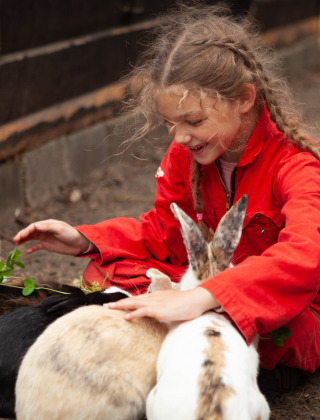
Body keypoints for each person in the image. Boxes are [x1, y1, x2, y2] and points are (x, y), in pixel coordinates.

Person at [13, 3, 320, 401]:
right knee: (105, 270)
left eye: (193, 122)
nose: (180, 138)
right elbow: (164, 233)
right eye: (170, 124)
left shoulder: (297, 164)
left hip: (281, 309)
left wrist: (204, 297)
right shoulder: (189, 153)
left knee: (262, 324)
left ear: (244, 99)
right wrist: (86, 239)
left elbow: (305, 256)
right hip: (206, 289)